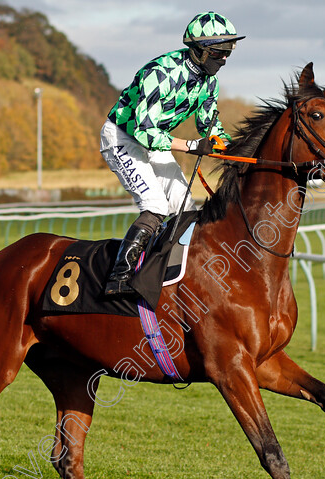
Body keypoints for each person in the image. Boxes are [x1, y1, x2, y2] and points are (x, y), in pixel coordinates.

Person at [101, 12, 244, 297]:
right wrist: (192, 146)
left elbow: (210, 127)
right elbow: (144, 130)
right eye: (219, 51)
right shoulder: (161, 72)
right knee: (155, 205)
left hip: (158, 142)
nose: (225, 58)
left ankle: (171, 274)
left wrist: (235, 151)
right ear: (200, 50)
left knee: (187, 208)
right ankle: (118, 280)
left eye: (230, 51)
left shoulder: (208, 82)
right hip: (124, 137)